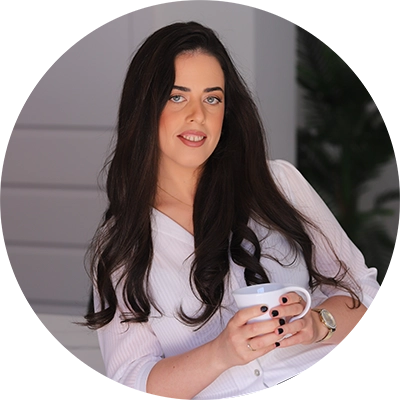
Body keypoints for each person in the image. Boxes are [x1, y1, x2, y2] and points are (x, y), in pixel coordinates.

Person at [78, 21, 380, 399]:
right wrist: (220, 353)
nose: (198, 115)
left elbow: (364, 292)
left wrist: (319, 324)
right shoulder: (120, 245)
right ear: (144, 108)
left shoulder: (279, 183)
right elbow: (133, 382)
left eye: (212, 99)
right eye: (177, 97)